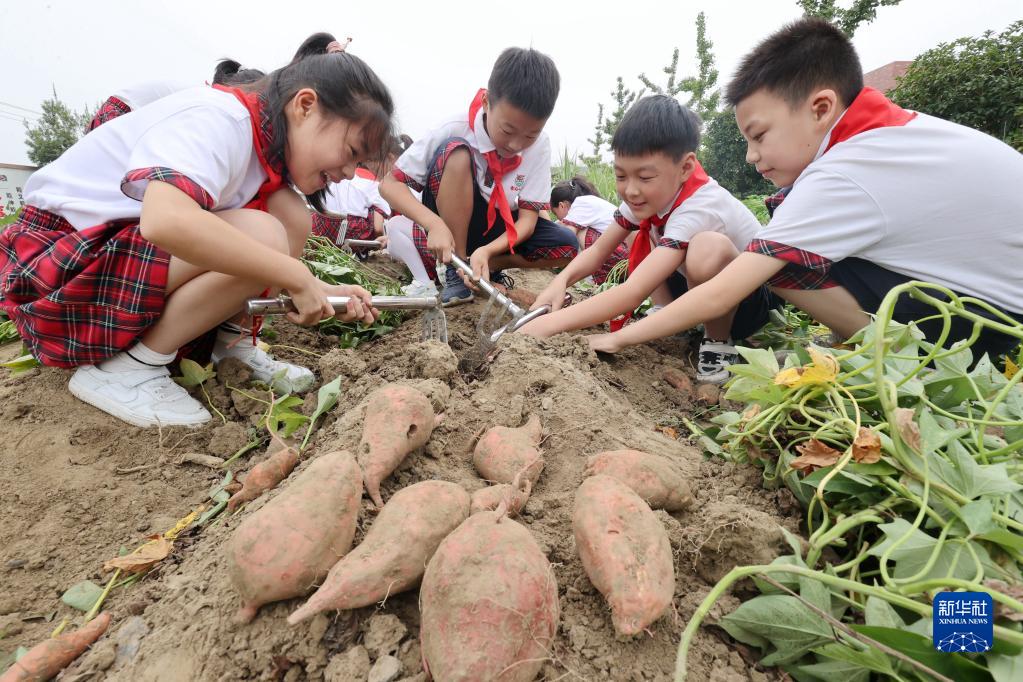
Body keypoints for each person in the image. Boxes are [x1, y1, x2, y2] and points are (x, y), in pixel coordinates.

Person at [585, 17, 1023, 365]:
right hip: (990, 301)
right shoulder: (885, 136)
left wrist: (618, 339)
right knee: (792, 242)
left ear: (820, 108)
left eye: (758, 135)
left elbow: (720, 292)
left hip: (984, 328)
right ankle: (858, 339)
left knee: (773, 260)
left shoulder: (846, 170)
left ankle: (900, 357)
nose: (751, 157)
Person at [0, 51, 394, 427]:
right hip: (55, 268)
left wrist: (320, 289)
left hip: (113, 260)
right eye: (352, 151)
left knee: (286, 213)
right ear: (305, 105)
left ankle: (232, 348)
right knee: (265, 236)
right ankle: (127, 370)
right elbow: (165, 222)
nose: (348, 172)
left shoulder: (261, 156)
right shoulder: (220, 117)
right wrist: (292, 272)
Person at [522, 96, 772, 383]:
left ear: (685, 168)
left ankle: (717, 341)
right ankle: (667, 315)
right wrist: (560, 281)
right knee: (639, 228)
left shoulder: (700, 204)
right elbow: (601, 250)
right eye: (620, 175)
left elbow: (632, 291)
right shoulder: (649, 196)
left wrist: (551, 325)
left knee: (706, 248)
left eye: (645, 177)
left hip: (747, 302)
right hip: (694, 290)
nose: (631, 190)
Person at [379, 47, 578, 306]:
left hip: (495, 230)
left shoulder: (540, 145)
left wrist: (488, 250)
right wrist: (434, 225)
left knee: (567, 245)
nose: (517, 144)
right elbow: (389, 185)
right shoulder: (455, 128)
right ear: (487, 103)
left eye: (530, 135)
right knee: (457, 152)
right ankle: (453, 270)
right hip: (450, 222)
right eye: (507, 130)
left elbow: (527, 222)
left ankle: (479, 265)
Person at [549, 176, 629, 286]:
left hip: (620, 256)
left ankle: (592, 280)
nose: (560, 219)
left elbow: (566, 239)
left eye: (556, 213)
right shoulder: (591, 203)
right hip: (625, 258)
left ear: (562, 206)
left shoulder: (581, 204)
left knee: (573, 234)